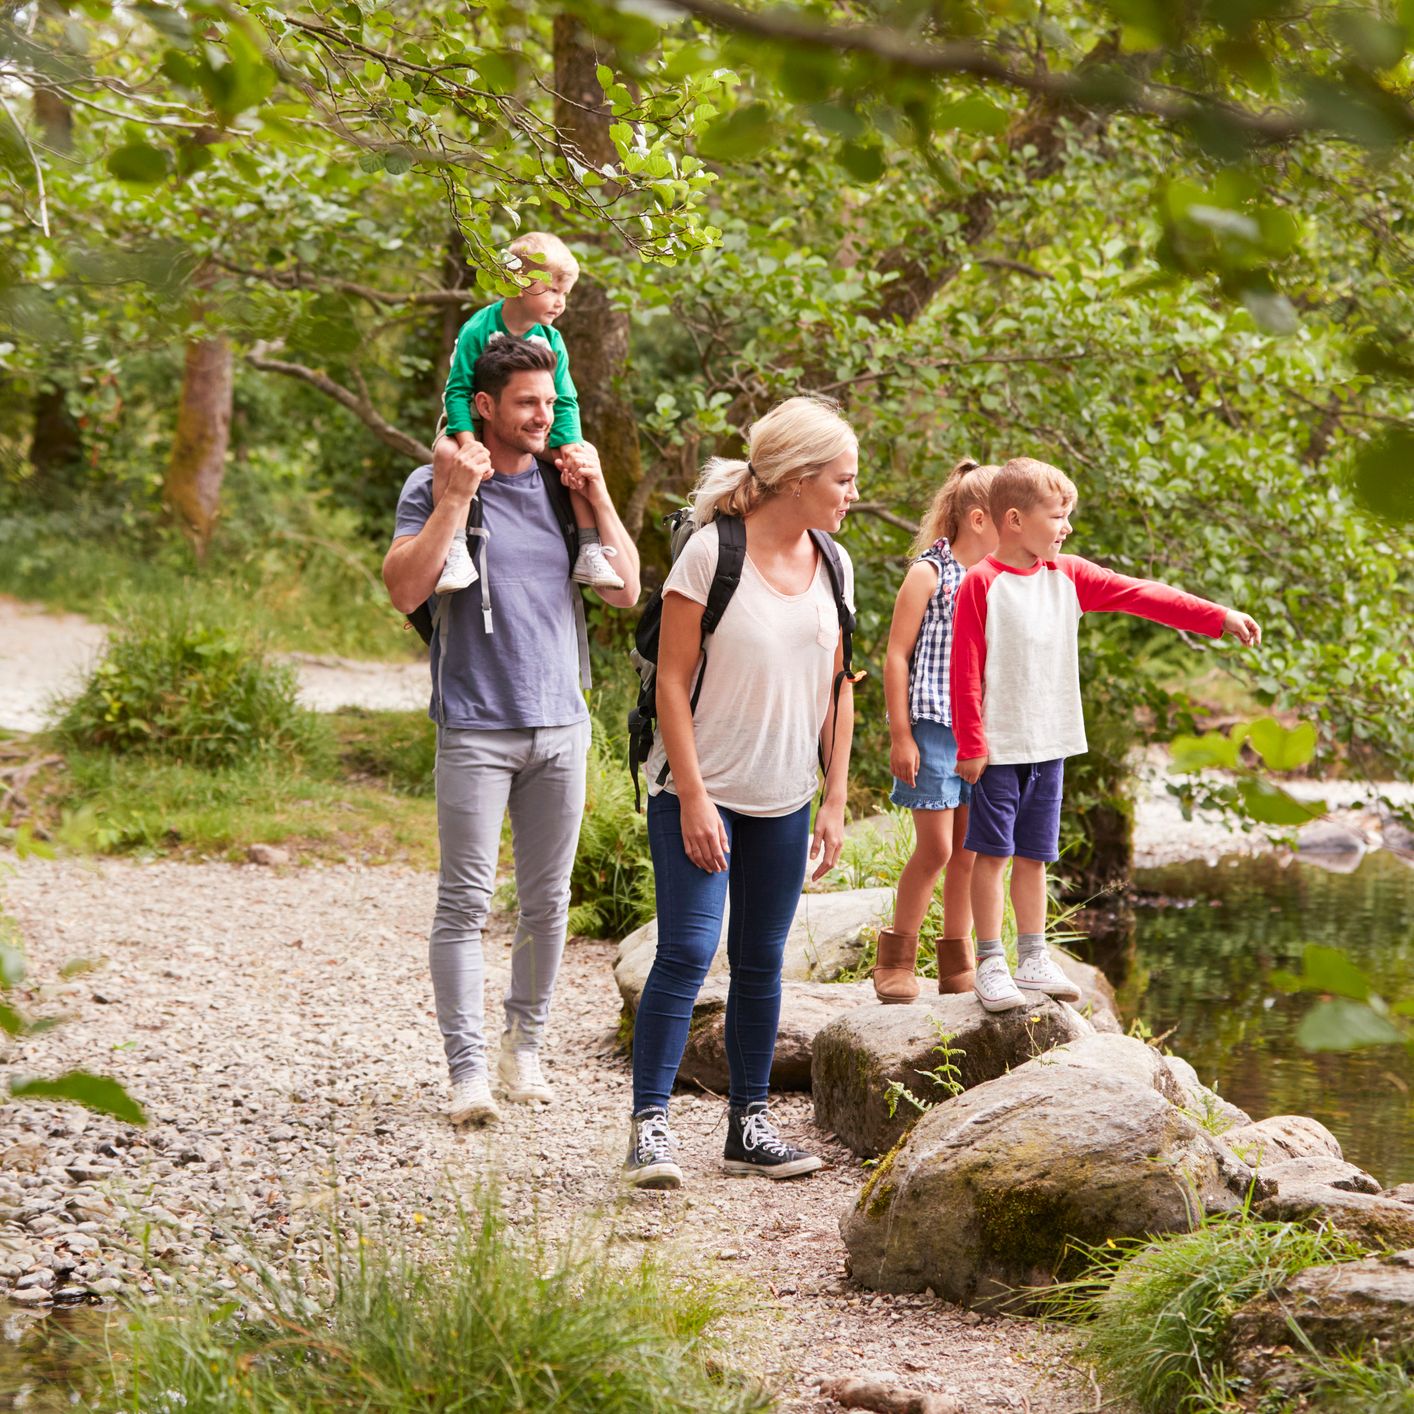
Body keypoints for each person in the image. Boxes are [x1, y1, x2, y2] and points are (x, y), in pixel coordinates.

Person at [383, 336, 641, 1126]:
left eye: (550, 400)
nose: (543, 414)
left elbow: (628, 592)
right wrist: (457, 499)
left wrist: (597, 496)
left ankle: (522, 1045)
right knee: (463, 903)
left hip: (561, 725)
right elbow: (402, 589)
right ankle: (466, 1073)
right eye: (527, 402)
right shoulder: (432, 484)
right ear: (486, 406)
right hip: (474, 725)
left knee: (547, 902)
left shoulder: (567, 492)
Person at [625, 396, 860, 1190]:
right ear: (796, 479)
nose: (851, 493)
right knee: (690, 948)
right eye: (842, 479)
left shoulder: (835, 561)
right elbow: (673, 682)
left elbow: (841, 685)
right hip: (701, 787)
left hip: (786, 796)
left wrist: (834, 800)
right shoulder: (710, 554)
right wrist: (691, 798)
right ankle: (650, 1128)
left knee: (762, 959)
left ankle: (748, 1127)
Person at [950, 456, 1261, 1013]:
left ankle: (1032, 958)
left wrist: (1217, 615)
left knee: (1034, 856)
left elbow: (1141, 594)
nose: (1066, 526)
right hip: (999, 750)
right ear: (1015, 520)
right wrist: (971, 744)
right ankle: (990, 962)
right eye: (1058, 515)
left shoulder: (1067, 575)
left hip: (1052, 744)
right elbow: (965, 668)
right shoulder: (982, 584)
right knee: (990, 855)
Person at [434, 231, 623, 596]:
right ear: (520, 284)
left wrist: (568, 445)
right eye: (553, 291)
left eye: (565, 293)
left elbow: (565, 399)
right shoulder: (478, 328)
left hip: (533, 425)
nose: (561, 303)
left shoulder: (552, 340)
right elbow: (457, 391)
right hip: (472, 420)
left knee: (581, 459)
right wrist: (469, 444)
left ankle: (588, 546)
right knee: (446, 454)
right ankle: (455, 548)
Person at [873, 460, 1000, 1004]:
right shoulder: (931, 573)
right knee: (937, 849)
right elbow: (897, 656)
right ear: (979, 518)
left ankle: (957, 963)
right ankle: (895, 960)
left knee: (970, 851)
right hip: (931, 729)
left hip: (982, 733)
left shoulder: (999, 576)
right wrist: (901, 734)